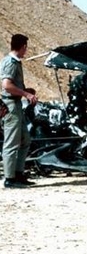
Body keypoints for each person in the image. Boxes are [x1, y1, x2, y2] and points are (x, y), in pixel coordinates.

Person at [1, 34, 38, 188]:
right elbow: (7, 85)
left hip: (16, 105)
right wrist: (26, 94)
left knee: (25, 140)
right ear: (23, 46)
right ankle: (10, 178)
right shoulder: (11, 63)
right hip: (11, 106)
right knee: (11, 143)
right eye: (25, 47)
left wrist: (24, 91)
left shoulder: (14, 62)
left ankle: (18, 173)